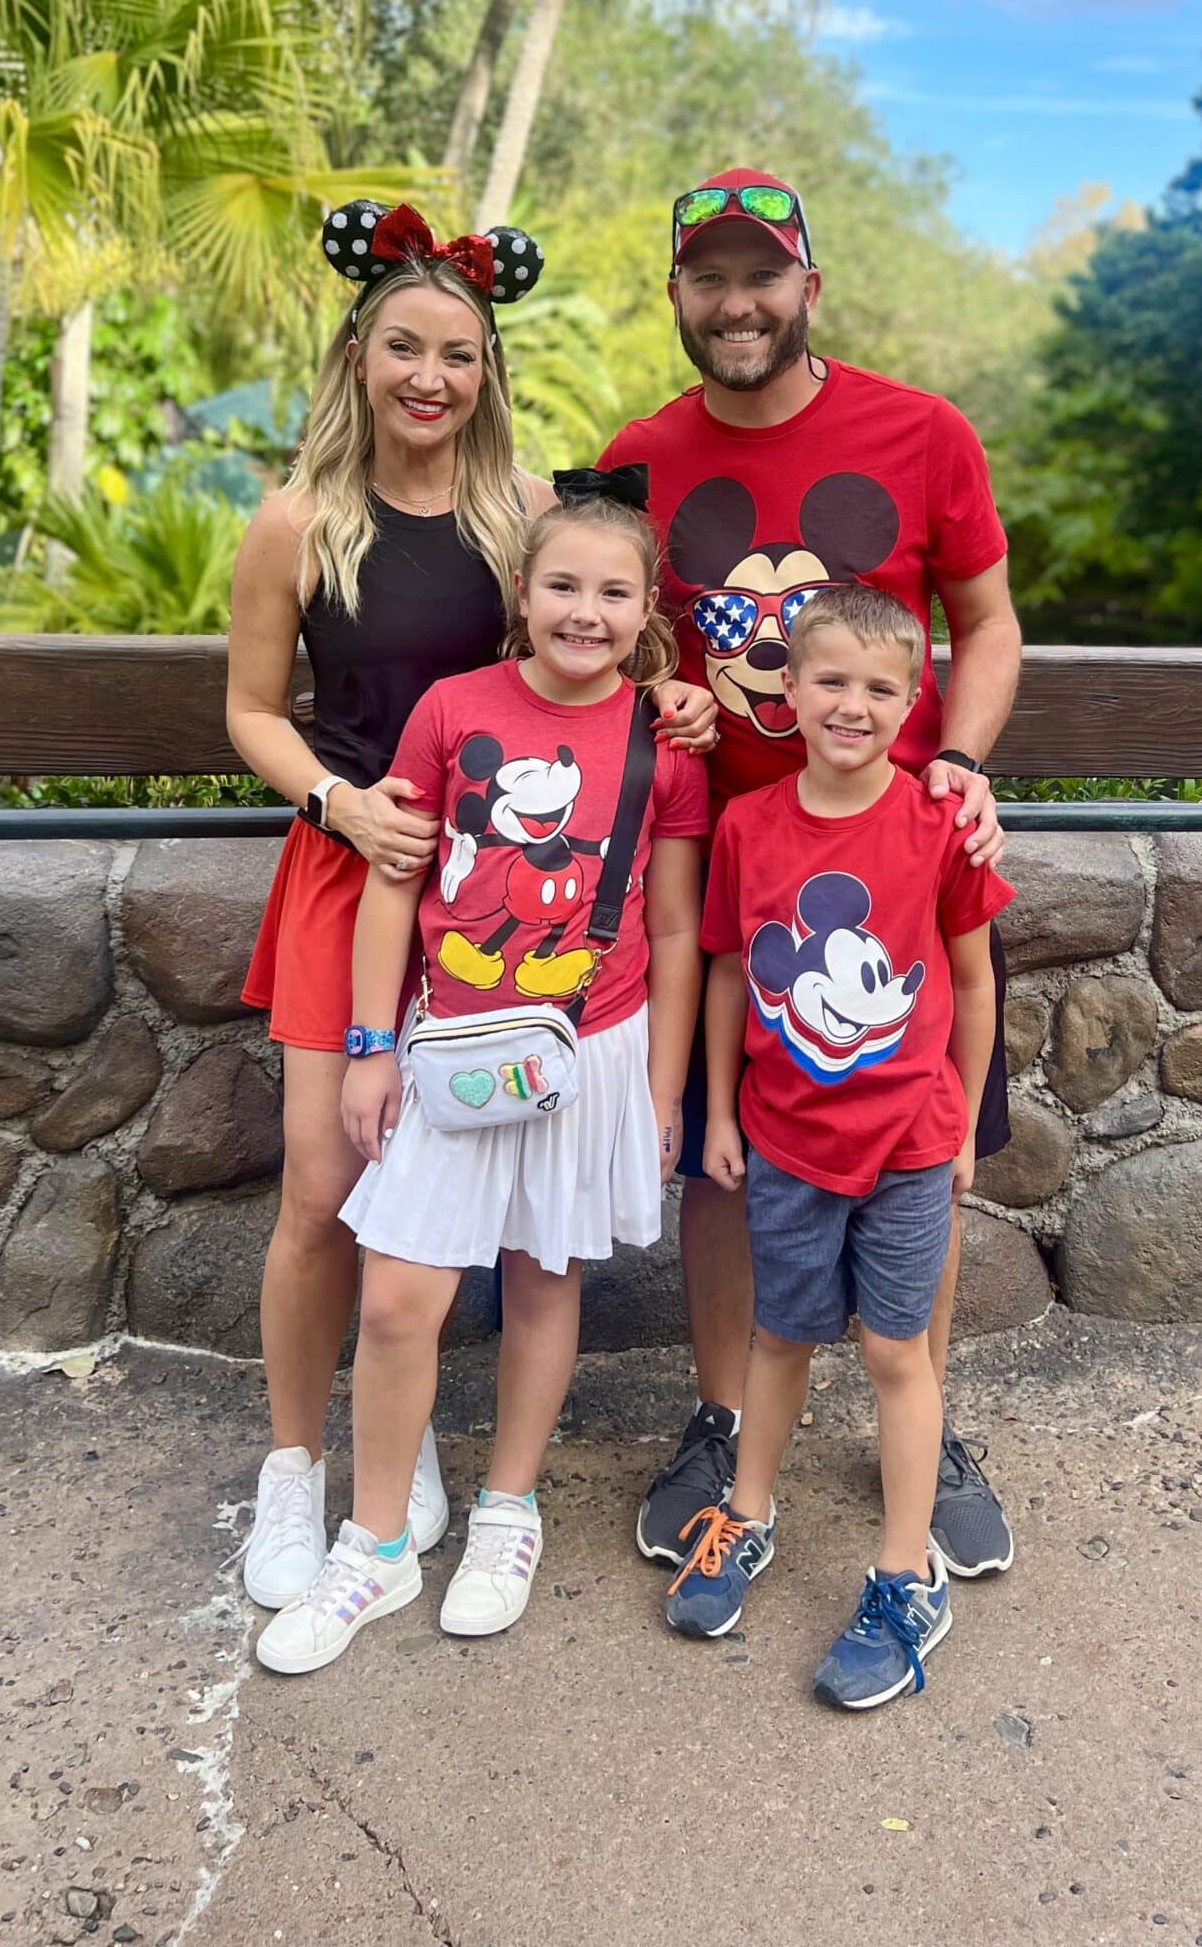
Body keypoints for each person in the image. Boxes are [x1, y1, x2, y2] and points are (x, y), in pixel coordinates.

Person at [226, 203, 713, 1613]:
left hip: (509, 901)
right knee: (326, 1193)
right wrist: (337, 801)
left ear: (487, 370)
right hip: (360, 865)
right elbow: (252, 710)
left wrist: (669, 696)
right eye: (403, 349)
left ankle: (430, 1459)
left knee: (485, 1217)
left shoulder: (515, 523)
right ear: (359, 356)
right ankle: (294, 1470)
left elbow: (597, 641)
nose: (430, 378)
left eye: (458, 354)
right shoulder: (299, 519)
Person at [599, 168, 1024, 1579]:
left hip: (902, 863)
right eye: (709, 279)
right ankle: (724, 1418)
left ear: (807, 290)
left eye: (761, 277)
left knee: (923, 1137)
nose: (737, 304)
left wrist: (957, 765)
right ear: (677, 296)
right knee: (727, 1157)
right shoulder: (639, 457)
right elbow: (618, 639)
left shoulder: (918, 432)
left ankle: (928, 1417)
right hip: (732, 879)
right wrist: (660, 701)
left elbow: (987, 622)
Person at [665, 586, 1013, 1708]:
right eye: (831, 681)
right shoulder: (748, 825)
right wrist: (716, 1114)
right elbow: (726, 967)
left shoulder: (936, 824)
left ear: (914, 703)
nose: (852, 704)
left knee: (896, 1353)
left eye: (879, 688)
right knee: (780, 1336)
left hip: (908, 1143)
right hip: (782, 1142)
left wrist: (958, 1115)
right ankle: (747, 1516)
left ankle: (906, 1575)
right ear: (788, 689)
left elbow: (968, 977)